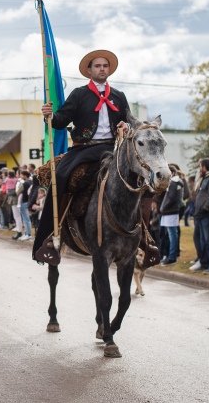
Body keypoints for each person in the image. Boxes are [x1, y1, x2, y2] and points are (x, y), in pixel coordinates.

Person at [34, 49, 131, 264]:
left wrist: (127, 125)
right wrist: (50, 115)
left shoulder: (119, 96)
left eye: (105, 65)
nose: (102, 69)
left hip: (111, 149)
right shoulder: (79, 94)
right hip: (83, 148)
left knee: (138, 180)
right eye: (97, 66)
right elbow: (62, 119)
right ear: (89, 71)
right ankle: (52, 234)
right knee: (59, 177)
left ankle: (144, 236)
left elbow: (129, 120)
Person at [160, 165, 183, 266]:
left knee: (172, 235)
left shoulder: (174, 183)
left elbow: (171, 198)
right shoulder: (172, 183)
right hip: (168, 212)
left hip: (170, 212)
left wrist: (163, 207)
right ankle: (170, 255)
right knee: (170, 234)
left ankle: (172, 257)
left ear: (172, 173)